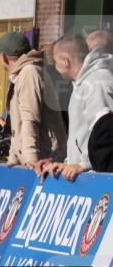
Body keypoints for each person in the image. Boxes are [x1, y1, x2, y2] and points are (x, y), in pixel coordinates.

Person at [39, 35, 113, 180]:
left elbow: (107, 134)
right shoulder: (82, 84)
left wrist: (83, 164)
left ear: (65, 61)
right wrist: (67, 163)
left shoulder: (97, 83)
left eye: (55, 61)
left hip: (98, 179)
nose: (55, 67)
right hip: (85, 176)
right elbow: (82, 135)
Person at [0, 31, 66, 168]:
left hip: (44, 159)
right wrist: (14, 157)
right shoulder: (23, 72)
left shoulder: (29, 72)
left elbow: (30, 119)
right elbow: (18, 126)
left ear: (3, 57)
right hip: (40, 158)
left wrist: (31, 160)